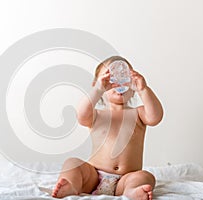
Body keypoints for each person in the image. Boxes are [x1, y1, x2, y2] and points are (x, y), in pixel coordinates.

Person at [52, 56, 163, 200]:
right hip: (93, 177)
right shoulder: (96, 115)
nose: (117, 83)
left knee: (146, 176)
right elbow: (81, 115)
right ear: (98, 85)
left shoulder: (139, 113)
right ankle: (72, 186)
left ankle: (131, 191)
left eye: (124, 76)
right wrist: (98, 90)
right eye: (110, 78)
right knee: (72, 163)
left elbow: (155, 117)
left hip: (126, 178)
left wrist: (144, 89)